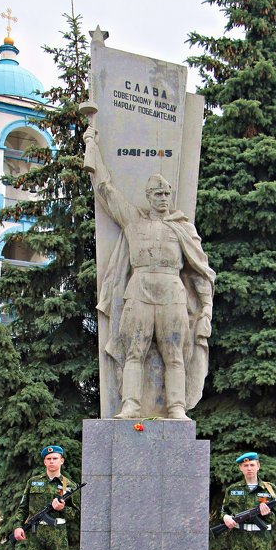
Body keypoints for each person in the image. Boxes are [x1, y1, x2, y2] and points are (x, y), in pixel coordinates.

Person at [84, 126, 215, 420]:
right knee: (134, 351)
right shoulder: (134, 221)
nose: (164, 198)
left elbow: (199, 271)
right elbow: (106, 190)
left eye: (167, 193)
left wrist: (205, 308)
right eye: (158, 193)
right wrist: (92, 144)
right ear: (148, 195)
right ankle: (131, 404)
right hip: (139, 291)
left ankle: (176, 408)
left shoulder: (183, 227)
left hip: (172, 293)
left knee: (174, 355)